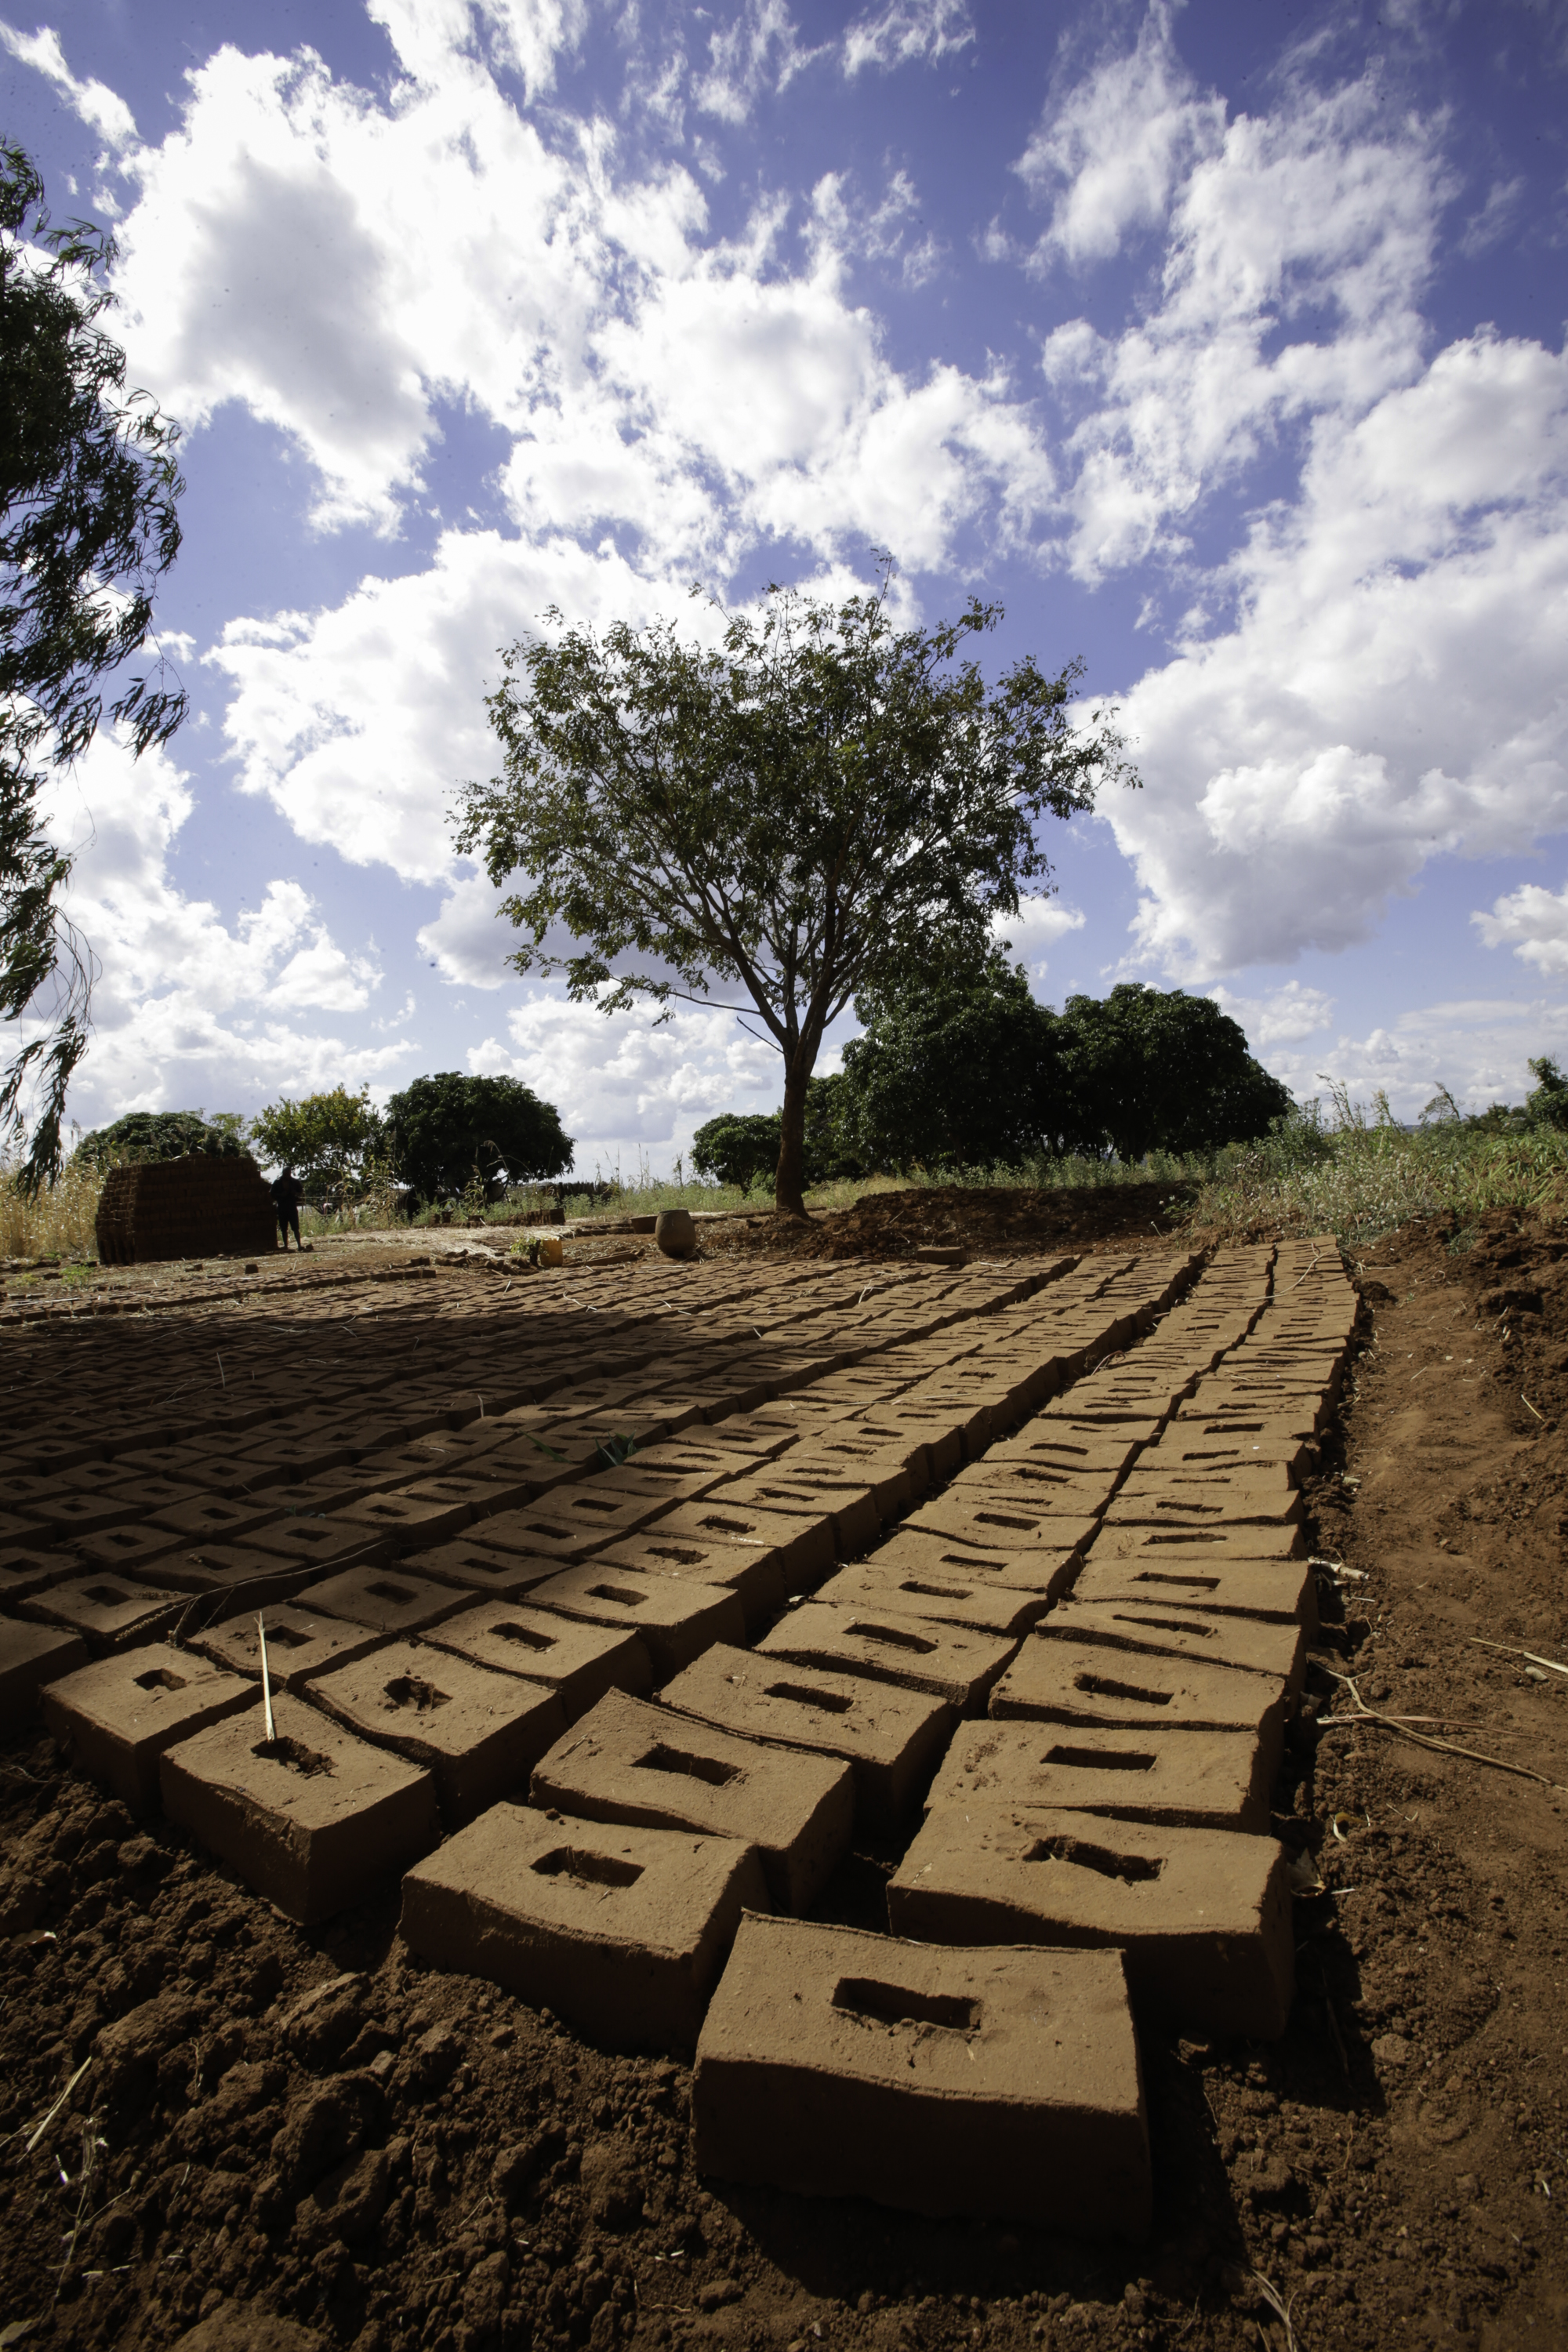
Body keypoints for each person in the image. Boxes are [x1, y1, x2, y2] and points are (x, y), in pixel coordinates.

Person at [271, 1164, 305, 1250]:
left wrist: (295, 1193)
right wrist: (280, 1195)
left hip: (292, 1207)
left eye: (288, 1173)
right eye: (285, 1173)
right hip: (282, 1208)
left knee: (296, 1228)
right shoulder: (277, 1182)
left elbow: (301, 1192)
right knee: (283, 1228)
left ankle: (299, 1245)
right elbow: (272, 1194)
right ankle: (286, 1246)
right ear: (283, 1173)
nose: (287, 1175)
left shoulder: (295, 1182)